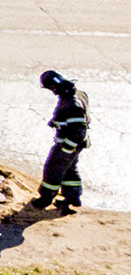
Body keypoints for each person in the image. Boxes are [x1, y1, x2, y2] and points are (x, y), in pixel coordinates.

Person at [31, 70, 89, 212]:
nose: (52, 91)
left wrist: (65, 149)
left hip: (68, 144)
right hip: (77, 144)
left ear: (55, 84)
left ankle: (45, 199)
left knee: (53, 169)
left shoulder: (72, 102)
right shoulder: (77, 94)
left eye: (51, 87)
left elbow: (78, 131)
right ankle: (73, 198)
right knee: (69, 170)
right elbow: (73, 118)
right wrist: (56, 121)